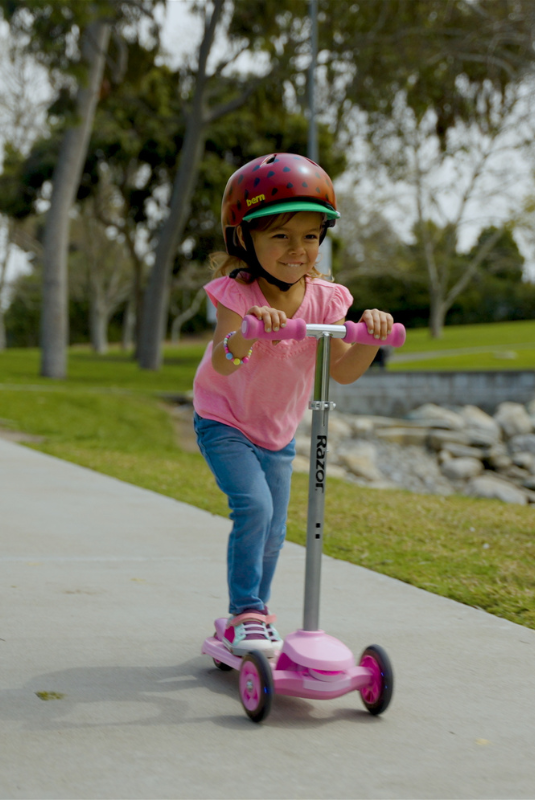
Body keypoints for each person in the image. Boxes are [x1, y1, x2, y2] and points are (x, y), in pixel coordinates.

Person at [193, 153, 394, 657]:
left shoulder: (328, 300)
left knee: (276, 529)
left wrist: (372, 337)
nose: (297, 249)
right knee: (254, 507)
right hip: (224, 420)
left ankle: (258, 608)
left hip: (277, 431)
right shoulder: (235, 295)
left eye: (309, 236)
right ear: (246, 238)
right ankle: (247, 614)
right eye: (280, 235)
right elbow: (221, 363)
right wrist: (248, 335)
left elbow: (342, 371)